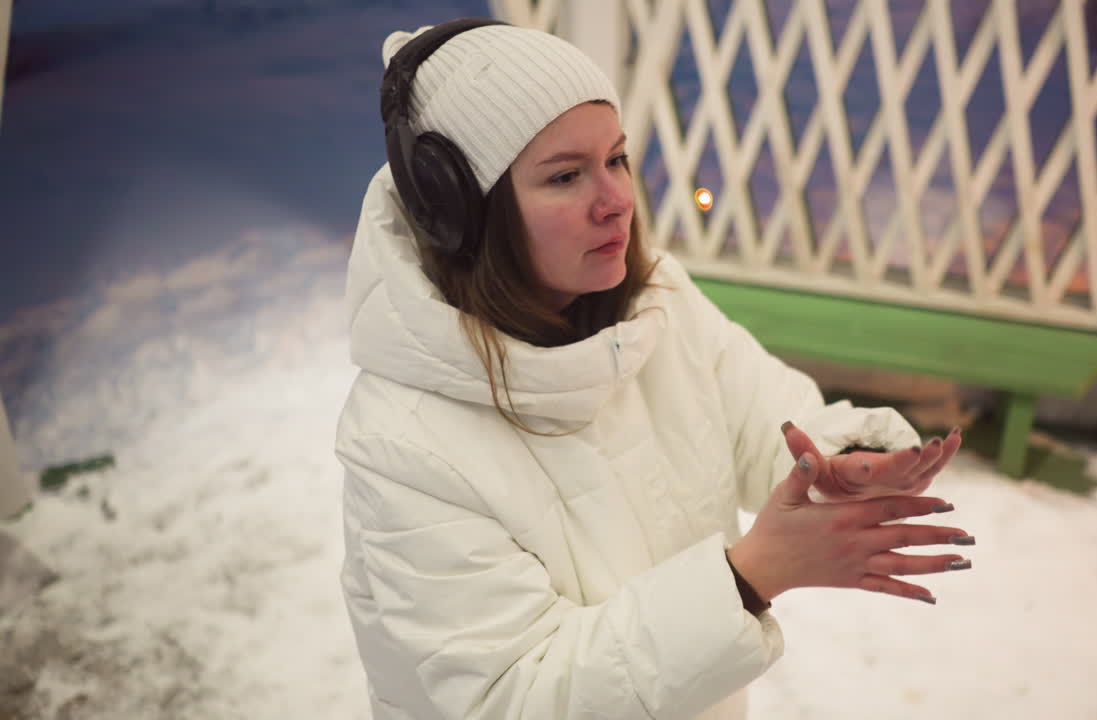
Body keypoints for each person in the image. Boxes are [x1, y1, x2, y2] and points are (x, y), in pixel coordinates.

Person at [335, 17, 971, 720]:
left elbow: (766, 417)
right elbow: (508, 698)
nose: (616, 201)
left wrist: (839, 463)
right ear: (463, 215)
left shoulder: (655, 306)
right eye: (566, 175)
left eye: (617, 159)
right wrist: (746, 580)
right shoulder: (403, 442)